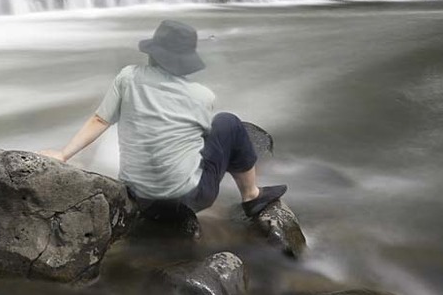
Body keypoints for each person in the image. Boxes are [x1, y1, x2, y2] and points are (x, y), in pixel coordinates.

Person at [39, 20, 286, 217]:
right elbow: (196, 142)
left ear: (153, 53)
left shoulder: (127, 78)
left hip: (136, 195)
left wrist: (63, 155)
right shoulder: (201, 96)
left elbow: (99, 121)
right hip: (191, 198)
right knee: (228, 123)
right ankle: (251, 196)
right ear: (186, 62)